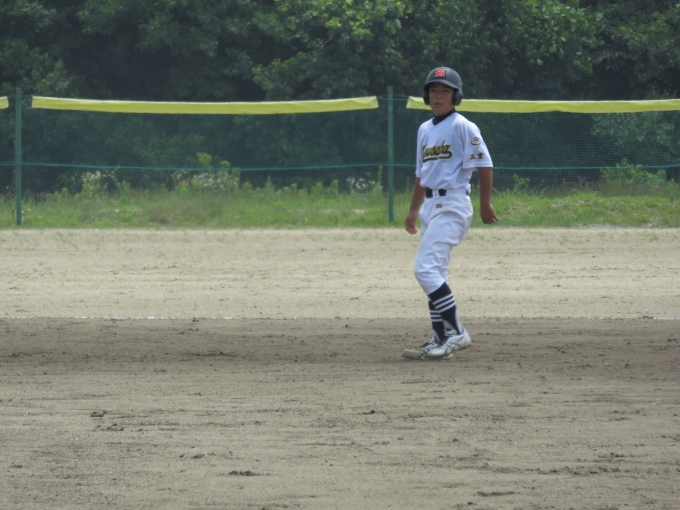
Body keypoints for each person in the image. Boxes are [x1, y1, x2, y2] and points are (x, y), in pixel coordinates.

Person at [404, 67, 498, 359]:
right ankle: (440, 338)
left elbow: (484, 165)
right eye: (433, 90)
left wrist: (485, 203)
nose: (438, 96)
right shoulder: (424, 129)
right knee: (436, 272)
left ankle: (457, 333)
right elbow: (421, 174)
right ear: (426, 96)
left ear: (456, 96)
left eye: (445, 91)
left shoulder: (463, 126)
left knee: (424, 270)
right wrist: (413, 209)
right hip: (430, 206)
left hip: (453, 204)